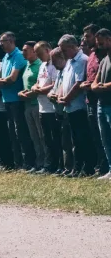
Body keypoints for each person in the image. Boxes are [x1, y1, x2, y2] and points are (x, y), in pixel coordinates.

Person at [0, 31, 37, 171]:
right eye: (0, 41)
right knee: (12, 132)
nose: (0, 44)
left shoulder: (18, 56)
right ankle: (17, 163)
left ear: (11, 41)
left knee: (21, 132)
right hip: (7, 100)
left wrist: (1, 81)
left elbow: (12, 79)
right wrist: (2, 81)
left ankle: (28, 162)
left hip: (17, 100)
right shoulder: (6, 57)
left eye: (3, 41)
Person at [58, 34, 95, 177]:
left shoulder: (81, 60)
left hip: (79, 106)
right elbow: (64, 80)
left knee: (83, 138)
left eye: (64, 50)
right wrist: (61, 96)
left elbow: (78, 83)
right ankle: (77, 167)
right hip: (70, 107)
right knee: (75, 140)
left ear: (72, 47)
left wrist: (66, 98)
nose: (62, 53)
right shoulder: (69, 61)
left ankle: (87, 167)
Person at [81, 24, 108, 176]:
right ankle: (102, 166)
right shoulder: (91, 55)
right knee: (96, 136)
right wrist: (87, 83)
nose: (85, 39)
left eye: (88, 36)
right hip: (90, 100)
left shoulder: (104, 55)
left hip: (103, 99)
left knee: (105, 135)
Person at [31, 41, 61, 174]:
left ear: (48, 50)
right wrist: (34, 87)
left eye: (39, 53)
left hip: (51, 107)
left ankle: (57, 165)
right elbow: (38, 82)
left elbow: (55, 84)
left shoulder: (54, 65)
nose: (38, 56)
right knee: (46, 138)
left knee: (55, 138)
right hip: (42, 107)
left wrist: (41, 90)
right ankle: (49, 165)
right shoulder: (43, 65)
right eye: (36, 53)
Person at [18, 41, 46, 171]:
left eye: (25, 50)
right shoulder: (27, 66)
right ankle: (39, 162)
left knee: (41, 135)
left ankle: (47, 162)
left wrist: (30, 93)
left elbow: (40, 84)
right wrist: (22, 92)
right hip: (27, 105)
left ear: (34, 51)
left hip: (37, 104)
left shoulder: (40, 65)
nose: (23, 52)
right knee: (34, 136)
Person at [48, 48, 75, 176]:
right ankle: (65, 166)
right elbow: (54, 89)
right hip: (58, 110)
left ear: (62, 58)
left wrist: (57, 95)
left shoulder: (67, 71)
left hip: (67, 109)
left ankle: (71, 167)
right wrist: (51, 95)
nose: (53, 64)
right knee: (62, 141)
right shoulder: (59, 72)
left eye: (54, 61)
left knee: (69, 141)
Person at [93, 28, 111, 179]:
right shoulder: (104, 59)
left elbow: (103, 84)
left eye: (101, 42)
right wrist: (94, 86)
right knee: (105, 138)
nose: (99, 45)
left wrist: (104, 86)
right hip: (101, 103)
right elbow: (96, 80)